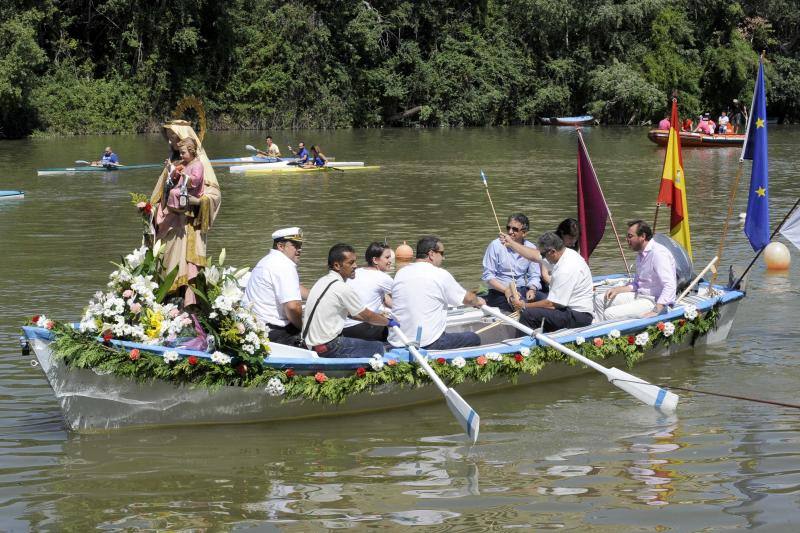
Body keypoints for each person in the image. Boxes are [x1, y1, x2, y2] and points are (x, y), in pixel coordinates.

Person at [149, 121, 222, 307]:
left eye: (174, 138)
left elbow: (214, 195)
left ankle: (186, 307)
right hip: (169, 222)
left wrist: (196, 201)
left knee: (185, 267)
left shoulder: (199, 164)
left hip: (188, 225)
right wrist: (150, 209)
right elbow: (161, 193)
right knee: (167, 263)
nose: (170, 143)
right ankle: (166, 304)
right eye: (169, 138)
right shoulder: (176, 162)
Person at [388, 236, 486, 350]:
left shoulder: (401, 273)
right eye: (442, 253)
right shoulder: (440, 274)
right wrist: (478, 301)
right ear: (431, 254)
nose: (443, 258)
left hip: (399, 340)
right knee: (473, 338)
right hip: (426, 343)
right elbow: (468, 299)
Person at [302, 244, 395, 358]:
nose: (355, 266)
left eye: (355, 262)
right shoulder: (342, 287)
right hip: (329, 346)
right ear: (337, 265)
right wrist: (388, 322)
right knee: (378, 347)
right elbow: (367, 316)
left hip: (309, 343)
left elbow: (353, 314)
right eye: (351, 263)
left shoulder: (322, 281)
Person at [501, 232, 594, 333]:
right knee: (536, 302)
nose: (541, 257)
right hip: (567, 308)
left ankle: (522, 347)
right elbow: (534, 255)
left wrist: (524, 306)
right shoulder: (565, 253)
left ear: (552, 252)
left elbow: (552, 304)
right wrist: (511, 243)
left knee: (528, 314)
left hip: (577, 316)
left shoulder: (565, 269)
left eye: (543, 254)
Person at [594, 220, 677, 321]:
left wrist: (656, 310)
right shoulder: (641, 254)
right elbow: (637, 284)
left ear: (642, 236)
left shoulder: (658, 253)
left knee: (610, 314)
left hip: (653, 300)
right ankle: (597, 332)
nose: (627, 240)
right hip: (639, 295)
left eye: (630, 236)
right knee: (599, 300)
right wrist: (618, 289)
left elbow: (670, 285)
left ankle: (610, 334)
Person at [243, 227, 309, 346]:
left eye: (300, 245)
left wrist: (316, 296)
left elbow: (293, 286)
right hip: (276, 334)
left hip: (256, 329)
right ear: (281, 246)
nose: (300, 250)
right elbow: (293, 307)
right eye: (295, 245)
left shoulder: (267, 260)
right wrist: (303, 328)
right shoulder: (284, 265)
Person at [481, 213, 543, 312]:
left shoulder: (530, 248)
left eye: (515, 229)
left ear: (524, 233)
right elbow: (488, 276)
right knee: (521, 307)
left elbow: (534, 275)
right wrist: (506, 290)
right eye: (508, 228)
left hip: (522, 289)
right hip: (500, 291)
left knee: (545, 301)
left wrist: (532, 289)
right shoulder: (495, 245)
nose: (510, 232)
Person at [342, 242, 394, 341]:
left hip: (344, 327)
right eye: (387, 258)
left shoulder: (356, 272)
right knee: (388, 323)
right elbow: (403, 298)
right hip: (361, 327)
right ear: (375, 260)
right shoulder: (383, 278)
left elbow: (382, 297)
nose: (390, 261)